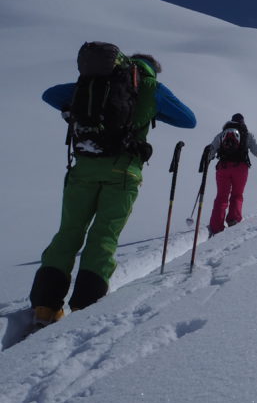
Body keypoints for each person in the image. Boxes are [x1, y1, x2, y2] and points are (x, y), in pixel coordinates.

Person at [30, 52, 196, 332]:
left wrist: (80, 105)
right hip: (123, 173)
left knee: (68, 232)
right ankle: (84, 306)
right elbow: (188, 120)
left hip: (83, 168)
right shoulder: (151, 87)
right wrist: (150, 109)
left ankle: (45, 307)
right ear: (153, 70)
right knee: (104, 236)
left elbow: (50, 95)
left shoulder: (97, 82)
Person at [207, 113, 257, 235]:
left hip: (223, 167)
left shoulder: (222, 134)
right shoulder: (246, 134)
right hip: (240, 168)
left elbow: (210, 151)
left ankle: (216, 226)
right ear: (242, 122)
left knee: (221, 197)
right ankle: (234, 220)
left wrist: (207, 159)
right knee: (237, 194)